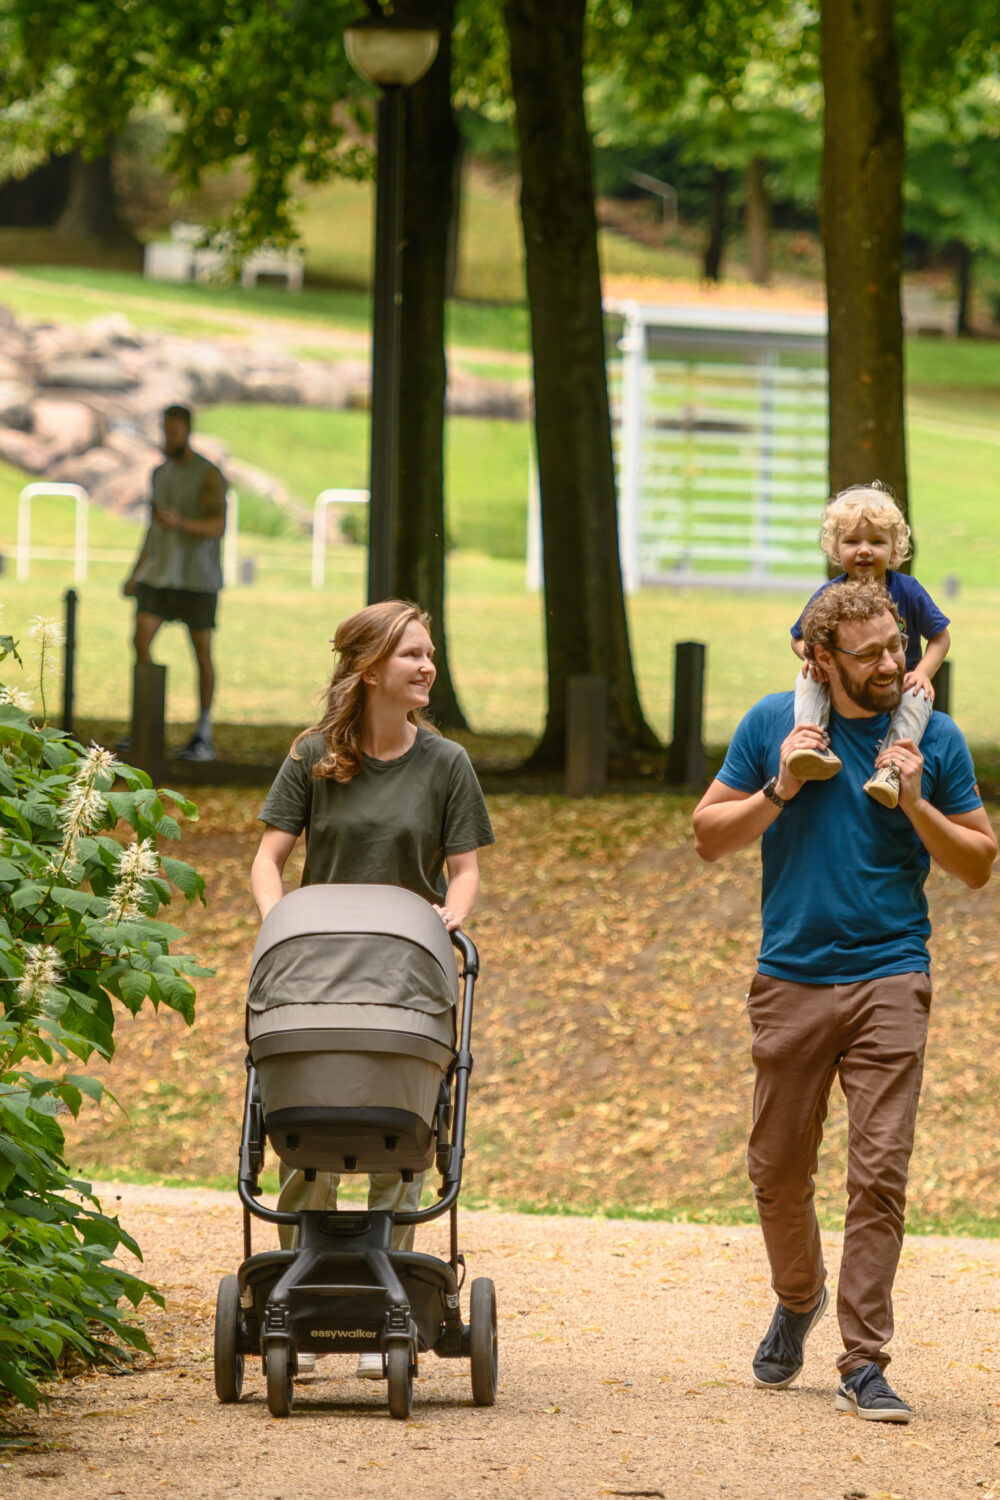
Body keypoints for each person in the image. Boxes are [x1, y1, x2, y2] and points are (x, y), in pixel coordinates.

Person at [692, 579, 995, 1423]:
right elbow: (707, 837)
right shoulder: (773, 726)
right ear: (821, 660)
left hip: (891, 974)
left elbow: (978, 863)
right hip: (790, 976)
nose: (892, 664)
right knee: (777, 1171)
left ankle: (863, 1361)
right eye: (869, 655)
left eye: (896, 645)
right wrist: (779, 789)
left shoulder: (933, 737)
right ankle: (799, 1297)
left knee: (880, 1173)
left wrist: (918, 801)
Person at [250, 599, 494, 1379]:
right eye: (410, 654)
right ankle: (301, 1299)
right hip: (320, 974)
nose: (427, 666)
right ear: (367, 670)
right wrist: (281, 923)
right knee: (308, 1150)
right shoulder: (313, 756)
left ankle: (391, 1304)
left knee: (402, 1144)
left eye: (429, 653)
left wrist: (450, 918)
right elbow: (268, 859)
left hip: (406, 977)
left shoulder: (447, 764)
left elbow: (464, 871)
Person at [788, 482, 951, 808]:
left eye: (876, 541)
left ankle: (891, 768)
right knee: (807, 678)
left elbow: (940, 636)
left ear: (894, 550)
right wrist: (813, 658)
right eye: (852, 541)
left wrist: (923, 673)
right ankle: (811, 745)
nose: (864, 550)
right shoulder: (831, 595)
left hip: (897, 683)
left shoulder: (907, 590)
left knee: (917, 699)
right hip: (847, 682)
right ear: (836, 550)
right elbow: (798, 636)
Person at [123, 405, 226, 762]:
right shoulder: (158, 474)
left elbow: (217, 527)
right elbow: (152, 529)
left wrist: (180, 523)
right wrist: (135, 572)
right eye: (164, 430)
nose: (168, 437)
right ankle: (145, 724)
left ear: (187, 431)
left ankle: (203, 732)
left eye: (174, 431)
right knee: (140, 641)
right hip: (159, 576)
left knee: (202, 654)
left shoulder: (209, 474)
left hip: (197, 579)